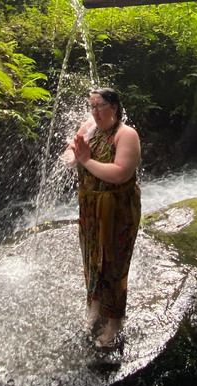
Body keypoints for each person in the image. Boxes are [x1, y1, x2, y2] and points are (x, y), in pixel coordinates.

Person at [63, 88, 142, 349]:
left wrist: (84, 160)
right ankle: (95, 308)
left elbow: (120, 173)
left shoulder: (126, 135)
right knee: (91, 257)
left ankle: (114, 322)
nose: (94, 111)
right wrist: (73, 156)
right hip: (89, 206)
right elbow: (68, 156)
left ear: (114, 108)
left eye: (100, 106)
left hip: (117, 208)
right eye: (92, 106)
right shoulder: (88, 127)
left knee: (114, 261)